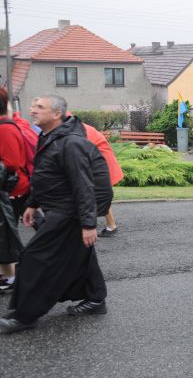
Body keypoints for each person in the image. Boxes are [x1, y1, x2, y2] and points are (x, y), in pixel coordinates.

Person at [0, 95, 112, 334]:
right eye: (33, 106)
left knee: (35, 258)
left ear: (57, 114)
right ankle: (95, 299)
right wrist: (33, 203)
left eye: (40, 107)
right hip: (63, 204)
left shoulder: (71, 143)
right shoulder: (51, 136)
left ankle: (24, 316)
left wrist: (88, 224)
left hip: (70, 209)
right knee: (82, 254)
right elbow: (48, 175)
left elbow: (83, 185)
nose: (32, 110)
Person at [0, 88, 29, 294]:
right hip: (10, 189)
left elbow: (13, 162)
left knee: (6, 235)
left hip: (13, 190)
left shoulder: (5, 128)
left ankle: (12, 277)